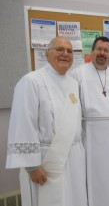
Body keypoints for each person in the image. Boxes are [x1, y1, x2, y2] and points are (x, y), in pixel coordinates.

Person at [6, 36, 88, 206]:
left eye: (70, 51)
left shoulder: (73, 83)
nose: (65, 54)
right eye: (59, 49)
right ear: (47, 54)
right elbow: (23, 123)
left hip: (74, 156)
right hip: (47, 161)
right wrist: (32, 166)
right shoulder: (31, 81)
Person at [70, 36, 109, 206]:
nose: (102, 53)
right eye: (99, 49)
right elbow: (71, 110)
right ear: (92, 51)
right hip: (90, 137)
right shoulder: (78, 74)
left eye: (106, 50)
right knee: (92, 178)